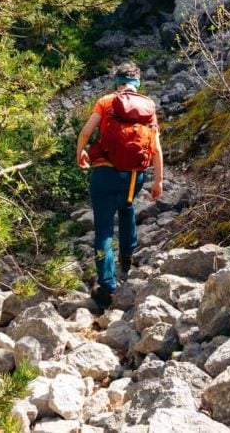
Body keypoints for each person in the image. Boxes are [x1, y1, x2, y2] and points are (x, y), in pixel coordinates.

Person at [76, 62, 164, 309]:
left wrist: (80, 152)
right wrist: (158, 180)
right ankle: (127, 259)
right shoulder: (148, 107)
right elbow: (155, 148)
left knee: (103, 230)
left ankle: (107, 286)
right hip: (134, 176)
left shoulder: (105, 102)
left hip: (104, 172)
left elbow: (85, 132)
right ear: (138, 82)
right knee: (126, 208)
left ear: (117, 81)